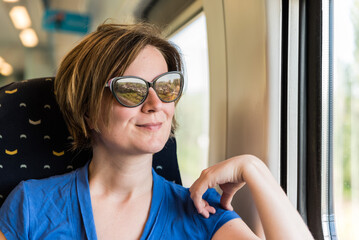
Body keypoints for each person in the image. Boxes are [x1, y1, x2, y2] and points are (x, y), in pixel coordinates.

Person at [0, 23, 313, 240]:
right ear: (87, 110)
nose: (155, 103)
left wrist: (254, 168)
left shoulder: (200, 213)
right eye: (132, 90)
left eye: (166, 87)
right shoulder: (32, 206)